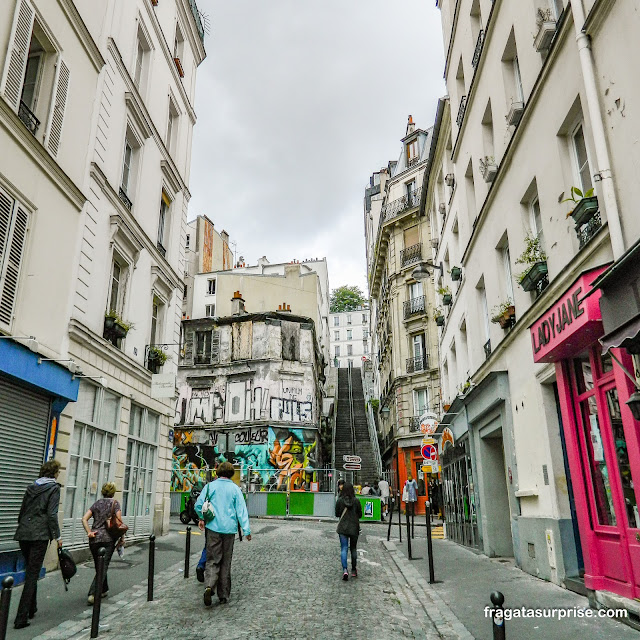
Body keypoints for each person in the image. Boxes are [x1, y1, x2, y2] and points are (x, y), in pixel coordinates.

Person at [13, 460, 63, 630]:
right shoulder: (54, 488)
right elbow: (51, 514)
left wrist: (22, 527)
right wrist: (58, 536)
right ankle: (21, 617)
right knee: (32, 574)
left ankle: (31, 608)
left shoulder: (31, 487)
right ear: (54, 473)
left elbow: (22, 510)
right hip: (40, 535)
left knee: (30, 569)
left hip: (24, 533)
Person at [195, 462, 251, 606]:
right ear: (231, 473)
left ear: (218, 472)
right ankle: (223, 594)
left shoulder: (210, 487)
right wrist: (246, 530)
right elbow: (241, 510)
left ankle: (209, 585)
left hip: (213, 528)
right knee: (226, 562)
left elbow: (198, 505)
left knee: (212, 559)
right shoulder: (235, 489)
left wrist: (202, 518)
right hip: (229, 530)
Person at [82, 482, 124, 605]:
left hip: (94, 539)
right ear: (113, 492)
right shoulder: (115, 504)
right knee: (103, 567)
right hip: (107, 539)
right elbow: (119, 523)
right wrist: (122, 538)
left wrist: (89, 532)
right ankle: (93, 593)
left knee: (99, 565)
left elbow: (84, 518)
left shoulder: (97, 503)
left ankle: (104, 589)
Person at [335, 483, 362, 580]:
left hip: (343, 527)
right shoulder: (356, 501)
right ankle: (354, 569)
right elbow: (360, 515)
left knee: (344, 548)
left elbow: (337, 514)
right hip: (354, 527)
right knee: (353, 548)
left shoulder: (340, 501)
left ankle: (345, 570)